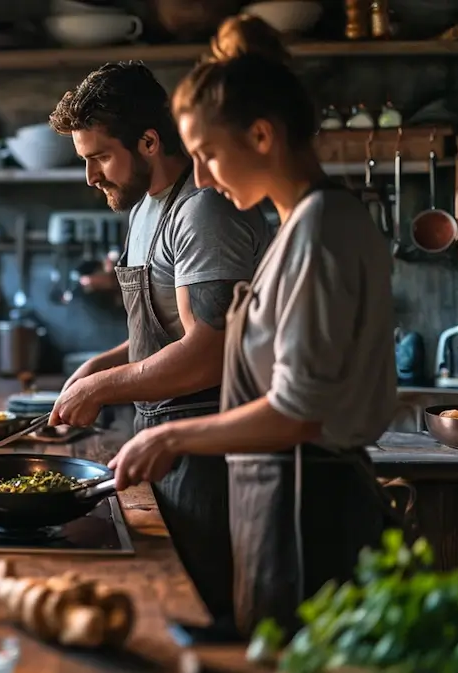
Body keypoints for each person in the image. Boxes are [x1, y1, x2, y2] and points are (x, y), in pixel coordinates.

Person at [107, 14, 400, 638]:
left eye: (209, 154)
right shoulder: (303, 227)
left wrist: (172, 439)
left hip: (311, 511)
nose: (204, 178)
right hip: (280, 498)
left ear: (262, 135)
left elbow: (297, 412)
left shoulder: (322, 231)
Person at [47, 61, 272, 635]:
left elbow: (209, 352)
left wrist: (103, 387)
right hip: (161, 434)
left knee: (210, 610)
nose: (91, 176)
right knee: (173, 604)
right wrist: (100, 365)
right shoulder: (146, 209)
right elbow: (164, 328)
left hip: (212, 448)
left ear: (149, 140)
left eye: (99, 157)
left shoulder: (203, 212)